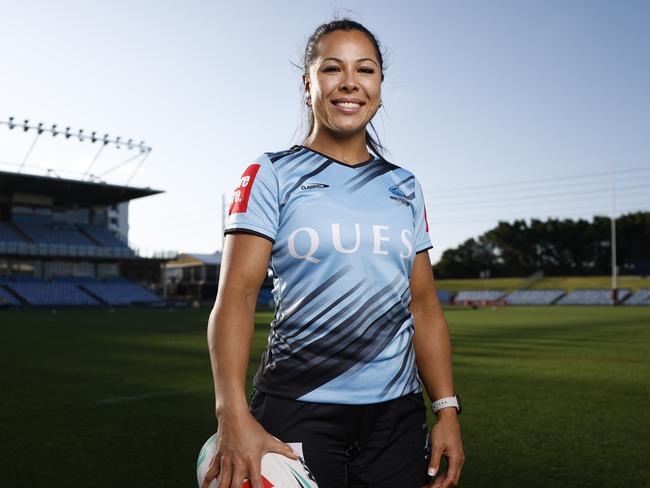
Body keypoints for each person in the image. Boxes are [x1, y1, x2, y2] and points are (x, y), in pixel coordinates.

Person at [203, 18, 464, 488]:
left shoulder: (405, 186)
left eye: (365, 70)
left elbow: (423, 305)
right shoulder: (272, 174)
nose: (349, 83)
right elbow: (237, 296)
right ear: (308, 85)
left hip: (396, 418)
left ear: (380, 87)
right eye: (332, 69)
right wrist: (231, 414)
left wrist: (445, 407)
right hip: (299, 406)